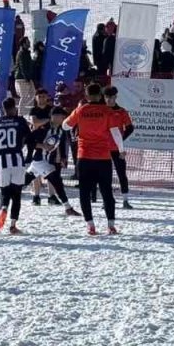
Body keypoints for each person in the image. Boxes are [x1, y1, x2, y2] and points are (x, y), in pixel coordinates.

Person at [63, 83, 124, 235]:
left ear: (87, 96)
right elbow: (116, 133)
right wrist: (121, 150)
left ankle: (90, 225)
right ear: (100, 96)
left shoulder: (81, 110)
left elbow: (65, 126)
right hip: (103, 157)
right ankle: (111, 225)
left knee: (84, 192)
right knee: (106, 192)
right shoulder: (107, 111)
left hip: (84, 157)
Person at [26, 106, 81, 216]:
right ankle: (68, 207)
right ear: (54, 117)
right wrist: (42, 146)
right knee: (58, 182)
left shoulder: (61, 129)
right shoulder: (44, 128)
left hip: (40, 163)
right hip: (40, 160)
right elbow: (29, 141)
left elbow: (60, 143)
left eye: (64, 116)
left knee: (22, 183)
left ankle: (6, 199)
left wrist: (63, 157)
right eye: (61, 116)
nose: (63, 118)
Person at [0, 98, 30, 234]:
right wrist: (21, 144)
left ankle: (4, 207)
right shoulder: (20, 121)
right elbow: (29, 138)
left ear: (3, 108)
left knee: (5, 192)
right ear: (14, 108)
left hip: (3, 162)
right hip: (17, 160)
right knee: (17, 194)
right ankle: (13, 225)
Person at [103, 86, 135, 209]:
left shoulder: (122, 111)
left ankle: (125, 200)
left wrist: (120, 141)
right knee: (105, 175)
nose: (109, 100)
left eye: (112, 97)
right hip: (103, 148)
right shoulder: (101, 110)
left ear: (116, 97)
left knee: (121, 173)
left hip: (117, 149)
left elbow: (130, 128)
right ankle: (107, 200)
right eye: (107, 97)